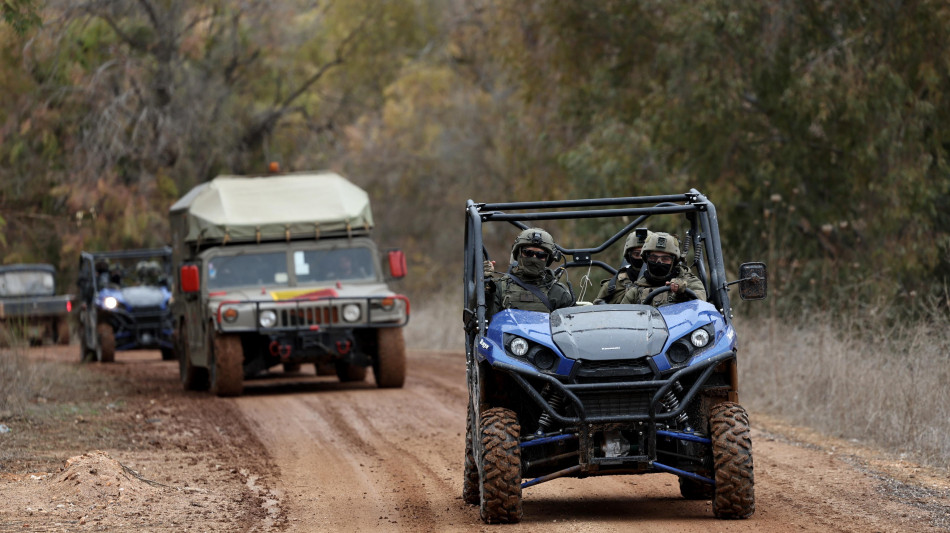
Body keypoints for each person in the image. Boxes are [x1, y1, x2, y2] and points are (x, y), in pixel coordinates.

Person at [485, 227, 575, 317]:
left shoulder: (558, 292)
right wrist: (485, 283)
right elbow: (485, 321)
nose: (534, 259)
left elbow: (571, 326)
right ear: (518, 253)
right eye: (528, 253)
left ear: (548, 259)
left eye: (540, 255)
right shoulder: (498, 288)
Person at [621, 231, 706, 307]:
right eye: (653, 258)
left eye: (665, 259)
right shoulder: (636, 289)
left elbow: (701, 304)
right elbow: (621, 317)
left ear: (674, 262)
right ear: (646, 259)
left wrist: (682, 293)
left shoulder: (690, 282)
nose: (658, 262)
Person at [594, 228, 652, 304]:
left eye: (646, 254)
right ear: (628, 255)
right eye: (637, 254)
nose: (642, 258)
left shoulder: (666, 284)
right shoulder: (611, 287)